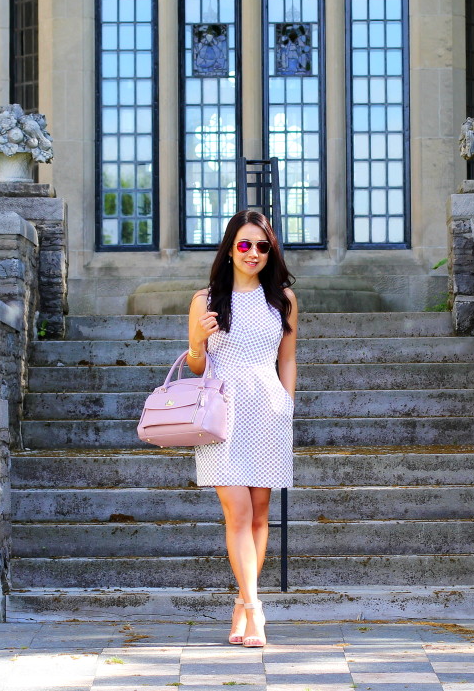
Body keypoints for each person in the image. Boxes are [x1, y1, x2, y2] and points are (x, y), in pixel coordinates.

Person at [186, 210, 297, 649]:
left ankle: (240, 603)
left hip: (268, 410)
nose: (253, 253)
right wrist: (198, 341)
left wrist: (287, 404)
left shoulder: (282, 300)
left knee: (260, 513)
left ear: (271, 252)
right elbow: (197, 365)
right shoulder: (206, 300)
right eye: (245, 244)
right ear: (230, 249)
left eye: (262, 246)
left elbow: (287, 358)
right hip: (222, 411)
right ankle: (255, 610)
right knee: (238, 511)